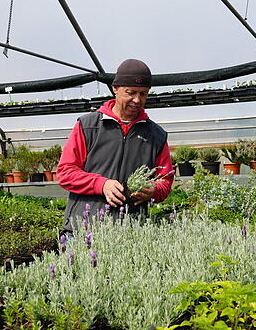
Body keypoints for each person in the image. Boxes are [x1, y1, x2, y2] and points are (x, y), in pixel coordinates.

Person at [56, 59, 174, 232]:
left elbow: (165, 180)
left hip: (130, 231)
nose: (137, 100)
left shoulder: (156, 135)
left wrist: (154, 190)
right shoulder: (89, 126)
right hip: (83, 229)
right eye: (131, 92)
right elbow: (65, 172)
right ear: (115, 89)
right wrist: (101, 184)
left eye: (143, 94)